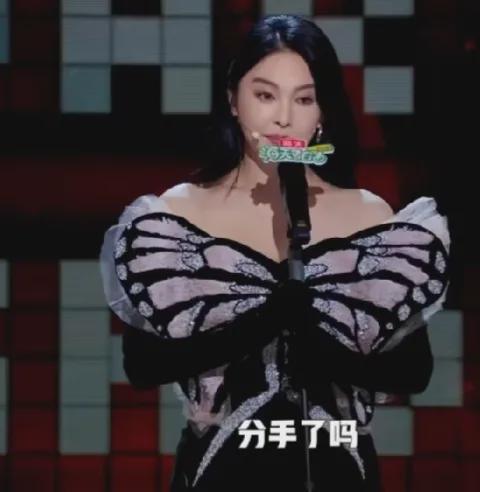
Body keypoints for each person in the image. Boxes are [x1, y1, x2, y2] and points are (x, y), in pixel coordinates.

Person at [100, 14, 451, 492]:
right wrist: (263, 323)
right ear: (234, 100)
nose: (283, 118)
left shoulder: (368, 214)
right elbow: (142, 365)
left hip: (339, 470)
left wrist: (326, 354)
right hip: (220, 470)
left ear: (323, 110)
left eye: (304, 99)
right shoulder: (178, 214)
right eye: (265, 95)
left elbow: (413, 371)